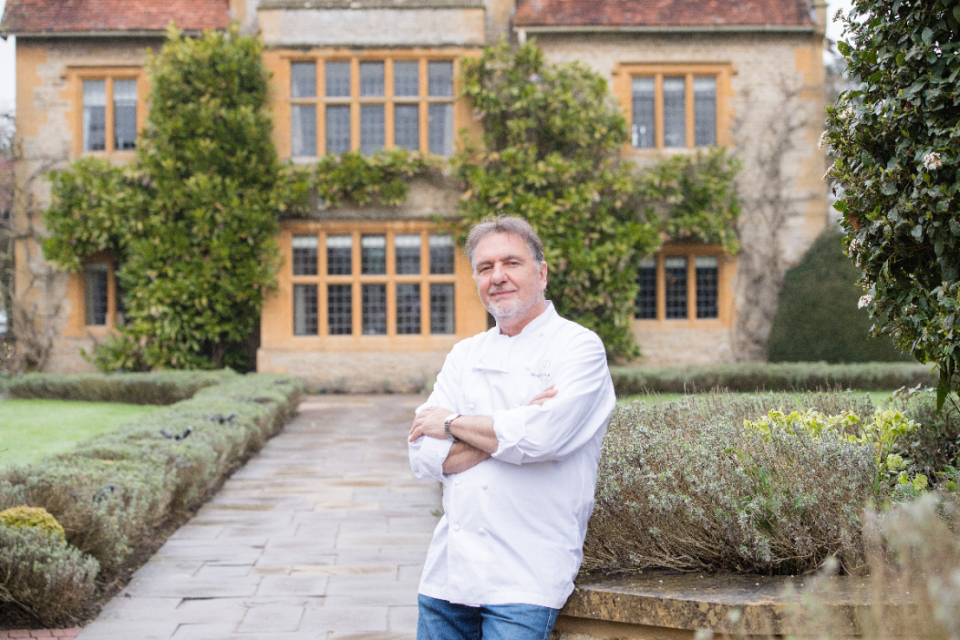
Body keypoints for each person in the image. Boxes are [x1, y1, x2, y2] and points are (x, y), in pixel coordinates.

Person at [407, 216, 616, 640]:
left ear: (541, 273)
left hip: (526, 575)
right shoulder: (464, 353)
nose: (497, 277)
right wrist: (516, 419)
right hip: (448, 577)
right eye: (485, 268)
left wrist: (452, 424)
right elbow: (424, 456)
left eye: (511, 263)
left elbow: (541, 439)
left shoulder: (579, 347)